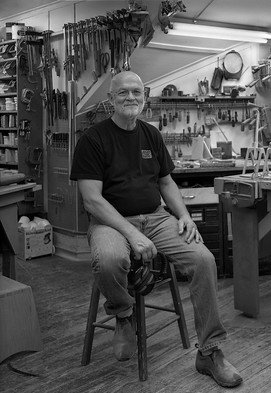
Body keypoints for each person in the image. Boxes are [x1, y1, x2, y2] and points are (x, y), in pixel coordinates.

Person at [70, 71, 242, 388]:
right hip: (111, 221)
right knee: (109, 261)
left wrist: (184, 216)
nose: (131, 98)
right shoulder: (93, 140)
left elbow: (166, 182)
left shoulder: (151, 135)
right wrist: (133, 234)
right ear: (110, 100)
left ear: (145, 97)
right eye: (123, 93)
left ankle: (209, 351)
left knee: (203, 260)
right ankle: (123, 315)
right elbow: (92, 201)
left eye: (137, 92)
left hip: (156, 216)